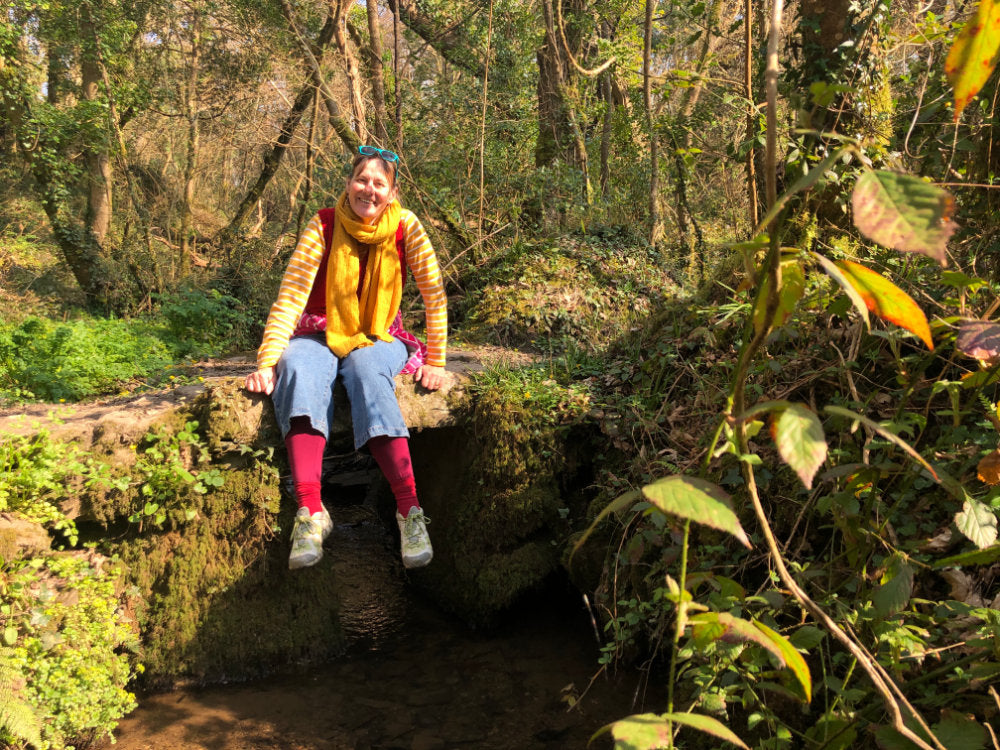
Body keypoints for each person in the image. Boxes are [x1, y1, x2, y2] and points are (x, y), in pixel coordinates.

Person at [244, 145, 447, 571]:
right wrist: (267, 362)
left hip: (378, 333)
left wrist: (438, 362)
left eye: (379, 183)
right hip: (317, 329)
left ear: (391, 193)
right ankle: (310, 512)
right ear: (349, 183)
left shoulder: (406, 227)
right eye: (361, 180)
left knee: (367, 370)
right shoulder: (323, 224)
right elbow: (291, 297)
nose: (368, 189)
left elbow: (434, 296)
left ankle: (409, 511)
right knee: (297, 369)